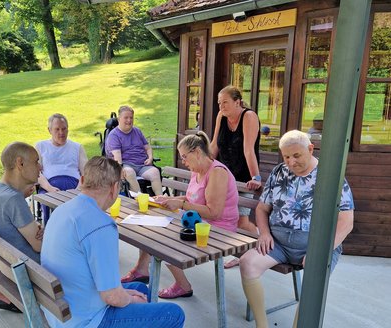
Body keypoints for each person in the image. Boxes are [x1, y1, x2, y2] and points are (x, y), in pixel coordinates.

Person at [40, 156, 185, 328]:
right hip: (85, 320)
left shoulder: (62, 209)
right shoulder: (101, 225)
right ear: (115, 188)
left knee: (140, 288)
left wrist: (128, 295)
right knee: (173, 314)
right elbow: (111, 297)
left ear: (82, 180)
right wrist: (130, 299)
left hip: (61, 310)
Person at [239, 130, 354, 328]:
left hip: (316, 245)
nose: (291, 162)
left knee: (314, 276)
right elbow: (262, 208)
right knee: (247, 263)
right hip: (279, 243)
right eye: (286, 157)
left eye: (297, 155)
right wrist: (264, 233)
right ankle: (262, 325)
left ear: (310, 149)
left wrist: (321, 252)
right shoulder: (278, 172)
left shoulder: (330, 175)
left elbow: (346, 222)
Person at [122, 132, 239, 299]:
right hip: (197, 222)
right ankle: (142, 270)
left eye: (185, 157)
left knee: (163, 240)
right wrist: (168, 199)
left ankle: (182, 286)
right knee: (151, 229)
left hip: (217, 229)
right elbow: (191, 198)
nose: (183, 162)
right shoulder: (198, 169)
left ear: (197, 152)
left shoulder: (217, 173)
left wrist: (181, 204)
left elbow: (214, 212)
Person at [0, 142, 43, 313]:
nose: (40, 166)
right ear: (20, 163)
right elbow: (39, 245)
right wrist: (42, 229)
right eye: (36, 161)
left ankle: (2, 289)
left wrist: (37, 228)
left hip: (5, 261)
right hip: (29, 269)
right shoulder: (13, 200)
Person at [210, 85, 262, 269]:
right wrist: (205, 167)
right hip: (224, 175)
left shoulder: (249, 116)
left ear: (237, 102)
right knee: (227, 217)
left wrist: (256, 176)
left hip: (243, 177)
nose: (221, 106)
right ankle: (241, 252)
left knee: (242, 220)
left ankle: (261, 244)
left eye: (225, 102)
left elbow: (249, 149)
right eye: (219, 103)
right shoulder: (221, 117)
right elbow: (215, 144)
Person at [36, 113, 88, 225]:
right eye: (57, 129)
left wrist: (78, 189)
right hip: (49, 186)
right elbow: (36, 173)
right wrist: (49, 188)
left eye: (64, 129)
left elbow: (86, 172)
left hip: (74, 186)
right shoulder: (41, 146)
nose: (61, 133)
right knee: (50, 205)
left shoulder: (77, 147)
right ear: (49, 130)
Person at [105, 105, 162, 195]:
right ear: (119, 119)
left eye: (131, 118)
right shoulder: (114, 135)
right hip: (126, 164)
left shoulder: (137, 131)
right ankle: (140, 199)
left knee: (155, 172)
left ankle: (160, 199)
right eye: (126, 118)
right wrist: (119, 172)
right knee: (129, 172)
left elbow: (147, 147)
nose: (129, 120)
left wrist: (150, 158)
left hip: (142, 164)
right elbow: (117, 158)